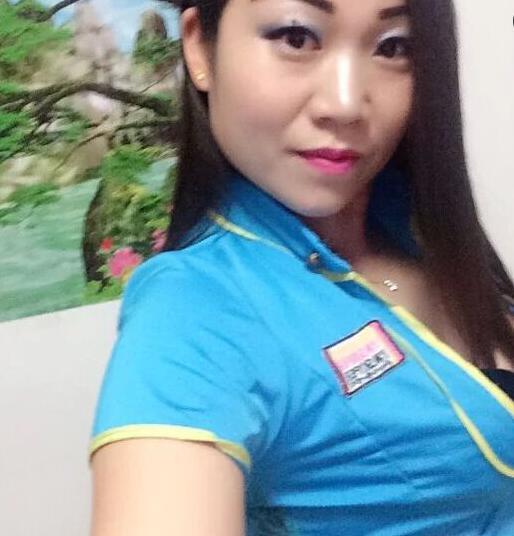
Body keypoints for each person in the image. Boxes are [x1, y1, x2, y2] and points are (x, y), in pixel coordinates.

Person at [88, 0, 514, 534]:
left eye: (394, 47)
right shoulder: (194, 310)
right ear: (198, 46)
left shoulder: (415, 226)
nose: (345, 104)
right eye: (296, 37)